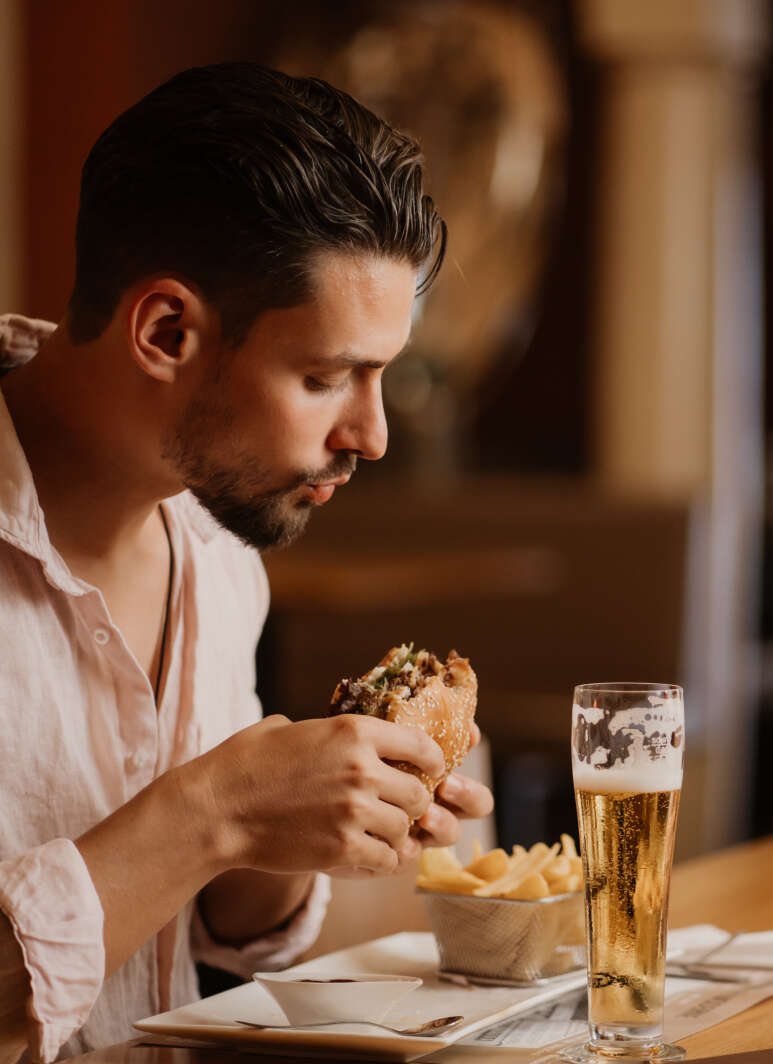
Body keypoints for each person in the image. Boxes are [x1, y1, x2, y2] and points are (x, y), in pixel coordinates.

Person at [0, 62, 494, 1061]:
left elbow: (205, 928)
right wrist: (216, 809)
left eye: (381, 376)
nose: (373, 434)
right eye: (325, 378)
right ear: (167, 330)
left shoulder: (225, 553)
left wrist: (299, 828)